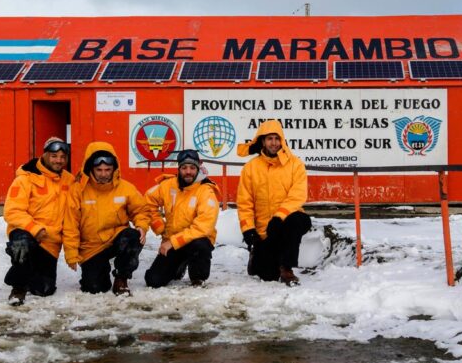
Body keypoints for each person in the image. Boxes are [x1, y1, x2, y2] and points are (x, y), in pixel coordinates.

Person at [62, 141, 151, 295]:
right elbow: (71, 223)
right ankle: (97, 271)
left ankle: (121, 278)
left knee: (133, 237)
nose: (103, 174)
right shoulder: (77, 190)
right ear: (91, 168)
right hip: (91, 247)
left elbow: (141, 210)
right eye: (99, 170)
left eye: (107, 170)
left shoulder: (126, 188)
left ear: (114, 169)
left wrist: (141, 226)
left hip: (116, 238)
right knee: (95, 288)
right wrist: (71, 253)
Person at [236, 120, 312, 286]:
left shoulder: (295, 164)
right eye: (270, 138)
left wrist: (279, 217)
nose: (274, 143)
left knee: (295, 221)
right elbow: (245, 202)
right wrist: (248, 229)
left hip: (289, 220)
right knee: (267, 275)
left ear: (282, 140)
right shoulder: (250, 168)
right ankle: (257, 255)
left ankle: (287, 269)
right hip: (265, 230)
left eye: (277, 138)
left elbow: (297, 195)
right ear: (262, 141)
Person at [3, 136, 74, 305]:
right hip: (26, 232)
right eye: (54, 155)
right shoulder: (25, 179)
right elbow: (12, 211)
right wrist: (35, 229)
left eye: (62, 157)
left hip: (50, 241)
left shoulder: (70, 181)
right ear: (44, 155)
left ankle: (28, 270)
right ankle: (18, 287)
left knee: (44, 290)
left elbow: (73, 215)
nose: (58, 160)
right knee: (22, 245)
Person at [144, 149, 220, 288]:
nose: (188, 172)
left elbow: (203, 227)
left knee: (201, 244)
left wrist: (172, 242)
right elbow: (147, 201)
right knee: (153, 280)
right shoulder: (168, 185)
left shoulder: (206, 191)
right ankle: (179, 265)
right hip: (172, 241)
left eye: (192, 167)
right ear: (178, 168)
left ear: (199, 167)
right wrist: (158, 224)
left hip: (194, 241)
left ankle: (198, 277)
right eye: (184, 168)